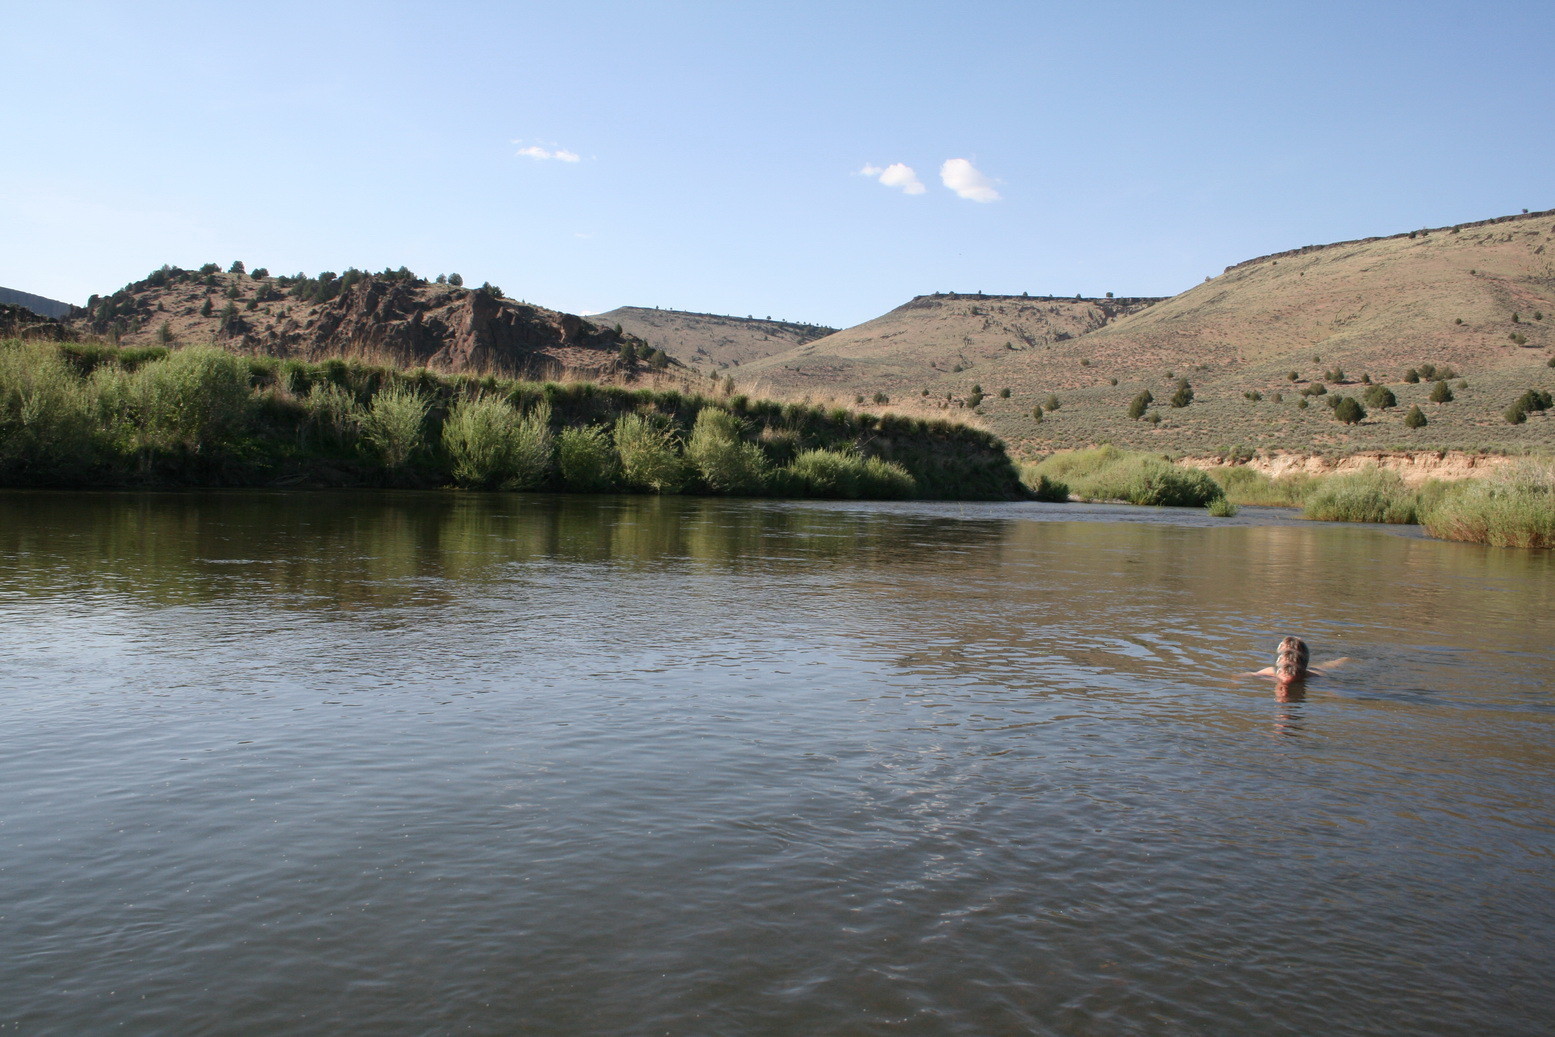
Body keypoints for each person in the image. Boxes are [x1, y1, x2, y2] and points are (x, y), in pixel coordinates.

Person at [1249, 637, 1350, 693]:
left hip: (1316, 670)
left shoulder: (1314, 676)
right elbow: (1249, 674)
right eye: (1282, 686)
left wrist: (1334, 692)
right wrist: (1235, 680)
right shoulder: (1270, 672)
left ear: (1302, 674)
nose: (1285, 692)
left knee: (1328, 666)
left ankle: (1345, 659)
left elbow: (1333, 686)